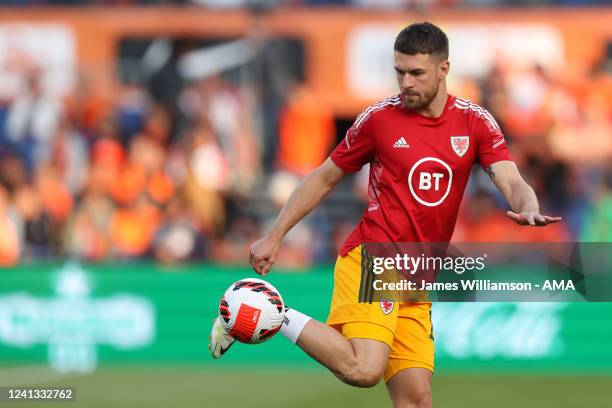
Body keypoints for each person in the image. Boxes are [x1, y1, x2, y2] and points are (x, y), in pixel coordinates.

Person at [210, 22, 561, 408]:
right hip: (374, 258)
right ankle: (262, 308)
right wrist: (275, 234)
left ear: (443, 69)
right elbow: (324, 177)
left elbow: (510, 178)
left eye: (416, 73)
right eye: (399, 72)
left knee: (416, 400)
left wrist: (527, 206)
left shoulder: (474, 121)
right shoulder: (379, 119)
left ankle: (262, 311)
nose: (405, 82)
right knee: (364, 369)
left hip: (418, 275)